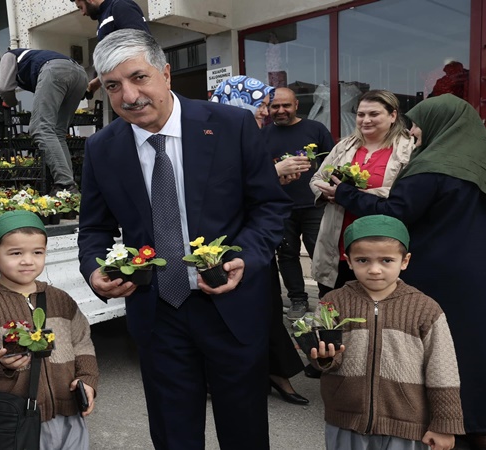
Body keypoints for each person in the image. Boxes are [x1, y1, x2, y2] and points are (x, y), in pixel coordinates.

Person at [78, 29, 292, 449]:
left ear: (166, 73)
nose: (129, 95)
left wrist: (245, 257)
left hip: (231, 306)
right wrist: (94, 269)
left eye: (139, 77)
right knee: (173, 433)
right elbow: (95, 230)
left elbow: (270, 207)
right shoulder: (103, 148)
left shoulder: (231, 126)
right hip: (157, 313)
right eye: (113, 86)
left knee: (245, 429)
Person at [322, 94, 486, 450]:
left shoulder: (436, 165)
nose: (415, 134)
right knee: (483, 349)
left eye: (418, 126)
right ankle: (482, 424)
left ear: (441, 123)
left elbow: (397, 211)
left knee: (447, 350)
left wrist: (347, 194)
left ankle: (457, 425)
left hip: (445, 276)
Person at [309, 214, 464, 450]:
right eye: (362, 260)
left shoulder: (425, 309)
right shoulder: (332, 303)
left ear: (405, 260)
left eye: (386, 260)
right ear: (348, 260)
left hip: (407, 426)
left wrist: (444, 424)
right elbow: (321, 355)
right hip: (346, 421)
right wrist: (324, 358)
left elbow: (443, 369)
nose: (374, 270)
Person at [0, 210, 99, 448]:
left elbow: (82, 343)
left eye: (37, 252)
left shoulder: (60, 299)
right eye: (15, 253)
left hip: (68, 414)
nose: (28, 260)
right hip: (16, 418)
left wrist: (87, 379)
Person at [210, 77, 309, 405]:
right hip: (225, 241)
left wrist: (275, 177)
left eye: (267, 105)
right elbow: (221, 190)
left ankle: (276, 374)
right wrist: (274, 171)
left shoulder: (249, 134)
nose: (266, 111)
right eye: (261, 105)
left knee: (266, 308)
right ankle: (235, 378)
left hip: (256, 241)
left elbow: (256, 190)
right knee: (228, 315)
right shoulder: (210, 138)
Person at [309, 89, 414, 299]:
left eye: (374, 114)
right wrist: (328, 193)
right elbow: (316, 179)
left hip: (380, 246)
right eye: (361, 114)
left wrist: (349, 193)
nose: (365, 120)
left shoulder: (407, 149)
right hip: (339, 245)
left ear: (393, 116)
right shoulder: (345, 146)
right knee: (335, 306)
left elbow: (404, 193)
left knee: (378, 310)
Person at [264, 87, 334, 320]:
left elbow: (332, 164)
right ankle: (297, 299)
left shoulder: (316, 129)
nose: (280, 110)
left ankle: (328, 299)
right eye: (275, 106)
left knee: (321, 254)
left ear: (296, 105)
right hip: (281, 206)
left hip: (315, 204)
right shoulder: (262, 135)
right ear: (269, 108)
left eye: (286, 105)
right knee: (286, 254)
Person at [0, 48, 88, 195]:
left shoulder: (8, 55)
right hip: (80, 75)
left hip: (55, 71)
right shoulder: (35, 55)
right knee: (57, 133)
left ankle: (65, 185)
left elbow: (4, 88)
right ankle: (69, 189)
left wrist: (10, 102)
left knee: (40, 128)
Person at [71, 0, 151, 95]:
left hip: (137, 84)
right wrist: (98, 80)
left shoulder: (121, 5)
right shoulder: (103, 19)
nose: (83, 13)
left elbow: (140, 44)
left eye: (81, 7)